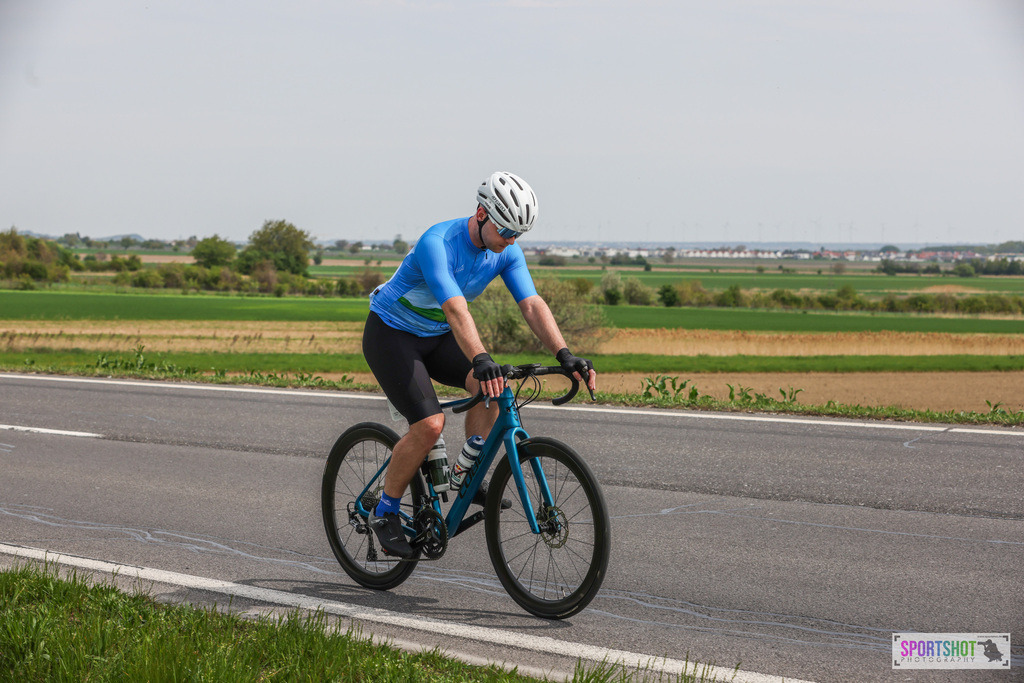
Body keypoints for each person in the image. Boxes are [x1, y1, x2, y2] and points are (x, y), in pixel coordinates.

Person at [361, 171, 597, 558]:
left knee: (495, 388)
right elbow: (455, 307)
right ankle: (385, 511)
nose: (510, 240)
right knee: (429, 425)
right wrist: (481, 357)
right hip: (392, 335)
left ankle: (465, 475)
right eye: (505, 229)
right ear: (482, 213)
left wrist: (564, 354)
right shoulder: (438, 242)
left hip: (436, 335)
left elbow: (532, 304)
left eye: (518, 234)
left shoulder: (506, 250)